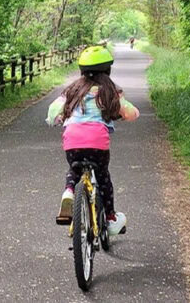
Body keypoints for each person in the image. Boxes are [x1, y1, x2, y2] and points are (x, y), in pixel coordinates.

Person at [46, 45, 139, 236]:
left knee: (74, 169)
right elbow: (130, 113)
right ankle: (111, 218)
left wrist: (54, 121)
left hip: (72, 140)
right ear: (107, 70)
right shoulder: (109, 92)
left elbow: (52, 111)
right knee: (103, 175)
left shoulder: (72, 91)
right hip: (97, 142)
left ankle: (69, 191)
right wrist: (130, 115)